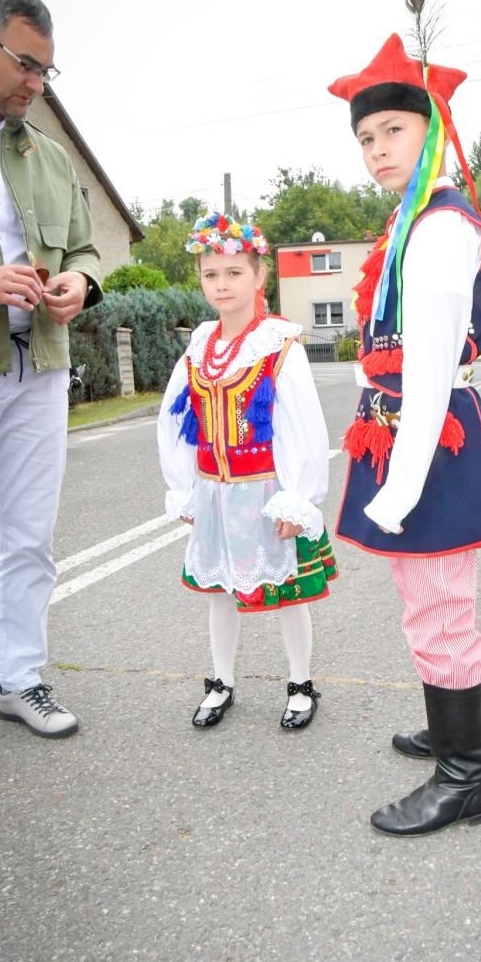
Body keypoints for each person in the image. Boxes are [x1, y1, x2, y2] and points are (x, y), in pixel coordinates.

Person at [328, 33, 481, 836]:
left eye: (393, 130)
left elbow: (431, 372)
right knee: (426, 600)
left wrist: (400, 487)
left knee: (439, 607)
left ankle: (467, 777)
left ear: (432, 131)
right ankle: (449, 727)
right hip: (403, 425)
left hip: (427, 439)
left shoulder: (437, 226)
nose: (375, 149)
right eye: (366, 137)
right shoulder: (411, 219)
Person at [0, 0, 102, 752]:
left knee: (31, 539)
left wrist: (79, 282)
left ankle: (21, 679)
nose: (37, 84)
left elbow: (87, 247)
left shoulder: (48, 153)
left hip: (37, 368)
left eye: (46, 70)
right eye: (27, 65)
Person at [157, 213, 337, 731]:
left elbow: (302, 427)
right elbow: (175, 422)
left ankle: (300, 683)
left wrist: (297, 499)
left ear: (259, 276)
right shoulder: (198, 349)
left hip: (267, 491)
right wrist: (183, 489)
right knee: (220, 591)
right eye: (211, 274)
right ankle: (221, 681)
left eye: (234, 272)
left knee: (289, 593)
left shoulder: (280, 347)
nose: (222, 284)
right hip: (214, 492)